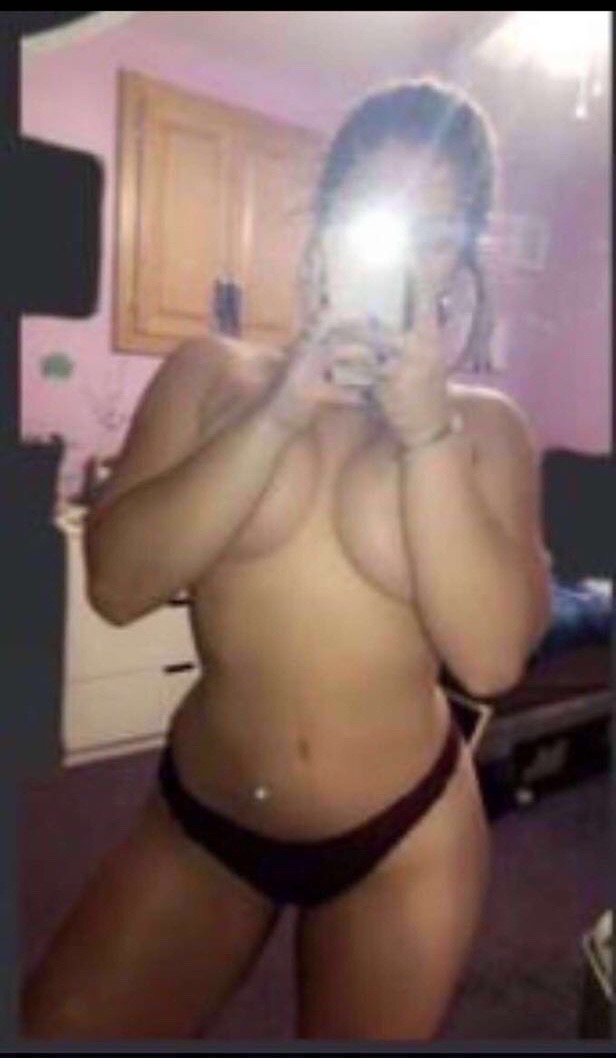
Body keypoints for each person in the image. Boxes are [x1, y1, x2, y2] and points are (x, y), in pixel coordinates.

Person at [21, 77, 552, 1041]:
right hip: (204, 816)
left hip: (403, 837)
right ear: (328, 219)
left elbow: (489, 662)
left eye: (435, 232)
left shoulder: (487, 429)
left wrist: (425, 432)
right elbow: (117, 585)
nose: (406, 254)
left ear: (460, 257)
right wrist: (280, 412)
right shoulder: (211, 374)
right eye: (378, 212)